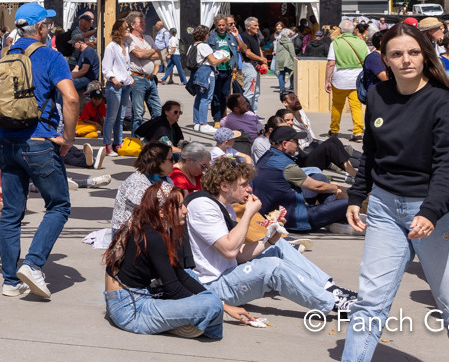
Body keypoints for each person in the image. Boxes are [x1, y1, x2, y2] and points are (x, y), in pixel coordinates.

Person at [342, 23, 449, 361]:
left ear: (425, 55)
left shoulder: (445, 101)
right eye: (396, 54)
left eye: (413, 52)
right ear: (384, 60)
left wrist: (431, 211)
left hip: (436, 213)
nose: (406, 60)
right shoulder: (377, 95)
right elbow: (371, 154)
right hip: (384, 208)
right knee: (370, 301)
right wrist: (355, 196)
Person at [0, 3, 79, 300]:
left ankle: (9, 279)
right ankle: (33, 263)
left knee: (11, 213)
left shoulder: (1, 56)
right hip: (40, 142)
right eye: (48, 25)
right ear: (40, 28)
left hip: (7, 143)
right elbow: (71, 98)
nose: (50, 29)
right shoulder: (51, 56)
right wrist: (67, 138)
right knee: (58, 205)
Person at [185, 157, 356, 318]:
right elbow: (229, 250)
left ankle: (330, 288)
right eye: (243, 185)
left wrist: (271, 238)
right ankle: (333, 303)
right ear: (224, 186)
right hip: (213, 286)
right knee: (273, 267)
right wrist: (249, 213)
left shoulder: (224, 207)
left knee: (277, 245)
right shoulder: (203, 206)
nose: (249, 189)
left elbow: (239, 255)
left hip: (227, 275)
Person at [104, 180, 233, 339]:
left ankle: (187, 320)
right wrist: (209, 304)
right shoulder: (153, 236)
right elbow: (173, 287)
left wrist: (223, 305)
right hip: (130, 309)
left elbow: (180, 275)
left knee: (196, 282)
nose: (185, 210)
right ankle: (205, 329)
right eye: (179, 206)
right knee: (210, 305)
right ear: (162, 212)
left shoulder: (152, 227)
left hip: (132, 296)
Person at [252, 126, 348, 232]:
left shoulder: (265, 158)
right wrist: (335, 188)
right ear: (284, 144)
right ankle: (333, 220)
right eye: (296, 141)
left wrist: (329, 187)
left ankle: (331, 219)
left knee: (321, 178)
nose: (298, 144)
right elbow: (316, 186)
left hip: (273, 212)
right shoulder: (285, 165)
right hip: (295, 220)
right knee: (349, 202)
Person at [111, 142, 174, 231]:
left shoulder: (165, 178)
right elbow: (150, 212)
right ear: (159, 162)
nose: (174, 162)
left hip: (151, 228)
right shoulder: (137, 183)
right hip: (129, 233)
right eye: (171, 159)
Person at [325, 18, 369, 141]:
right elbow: (368, 60)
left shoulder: (335, 43)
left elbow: (331, 64)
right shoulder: (361, 43)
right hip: (357, 80)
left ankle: (334, 130)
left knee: (337, 106)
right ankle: (358, 132)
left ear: (340, 30)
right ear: (354, 30)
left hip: (339, 79)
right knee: (356, 107)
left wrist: (327, 81)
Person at [125, 11, 162, 133]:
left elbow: (159, 55)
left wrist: (146, 52)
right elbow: (139, 54)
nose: (144, 24)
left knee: (157, 111)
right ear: (133, 25)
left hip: (151, 78)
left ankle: (156, 137)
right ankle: (136, 141)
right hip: (138, 79)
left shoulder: (148, 38)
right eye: (141, 22)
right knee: (138, 113)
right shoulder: (129, 39)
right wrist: (151, 51)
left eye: (144, 22)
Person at [100, 17, 132, 157]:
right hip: (115, 86)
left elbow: (125, 66)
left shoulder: (126, 46)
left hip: (126, 85)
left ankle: (118, 142)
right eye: (126, 28)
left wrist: (130, 76)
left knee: (120, 117)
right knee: (111, 117)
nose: (129, 30)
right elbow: (106, 67)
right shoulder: (111, 47)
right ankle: (108, 145)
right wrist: (113, 79)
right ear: (119, 31)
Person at [208, 17, 239, 124]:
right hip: (216, 70)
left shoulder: (230, 37)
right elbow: (207, 52)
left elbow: (235, 52)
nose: (221, 27)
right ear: (215, 25)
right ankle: (217, 119)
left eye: (223, 25)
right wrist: (216, 51)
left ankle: (223, 117)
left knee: (225, 95)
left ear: (226, 25)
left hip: (227, 70)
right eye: (219, 25)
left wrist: (234, 66)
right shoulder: (211, 37)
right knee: (216, 95)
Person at [237, 17, 265, 111]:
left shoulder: (255, 36)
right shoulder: (244, 36)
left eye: (258, 25)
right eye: (255, 25)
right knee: (250, 91)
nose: (258, 27)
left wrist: (263, 60)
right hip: (249, 65)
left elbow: (258, 48)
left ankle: (254, 113)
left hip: (255, 66)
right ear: (248, 27)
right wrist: (261, 59)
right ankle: (246, 113)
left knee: (256, 92)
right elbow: (247, 53)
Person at [272, 28, 298, 96]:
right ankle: (292, 87)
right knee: (292, 74)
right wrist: (295, 59)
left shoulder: (279, 42)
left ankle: (282, 88)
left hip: (280, 60)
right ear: (288, 35)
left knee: (281, 74)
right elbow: (292, 53)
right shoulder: (289, 42)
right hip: (288, 61)